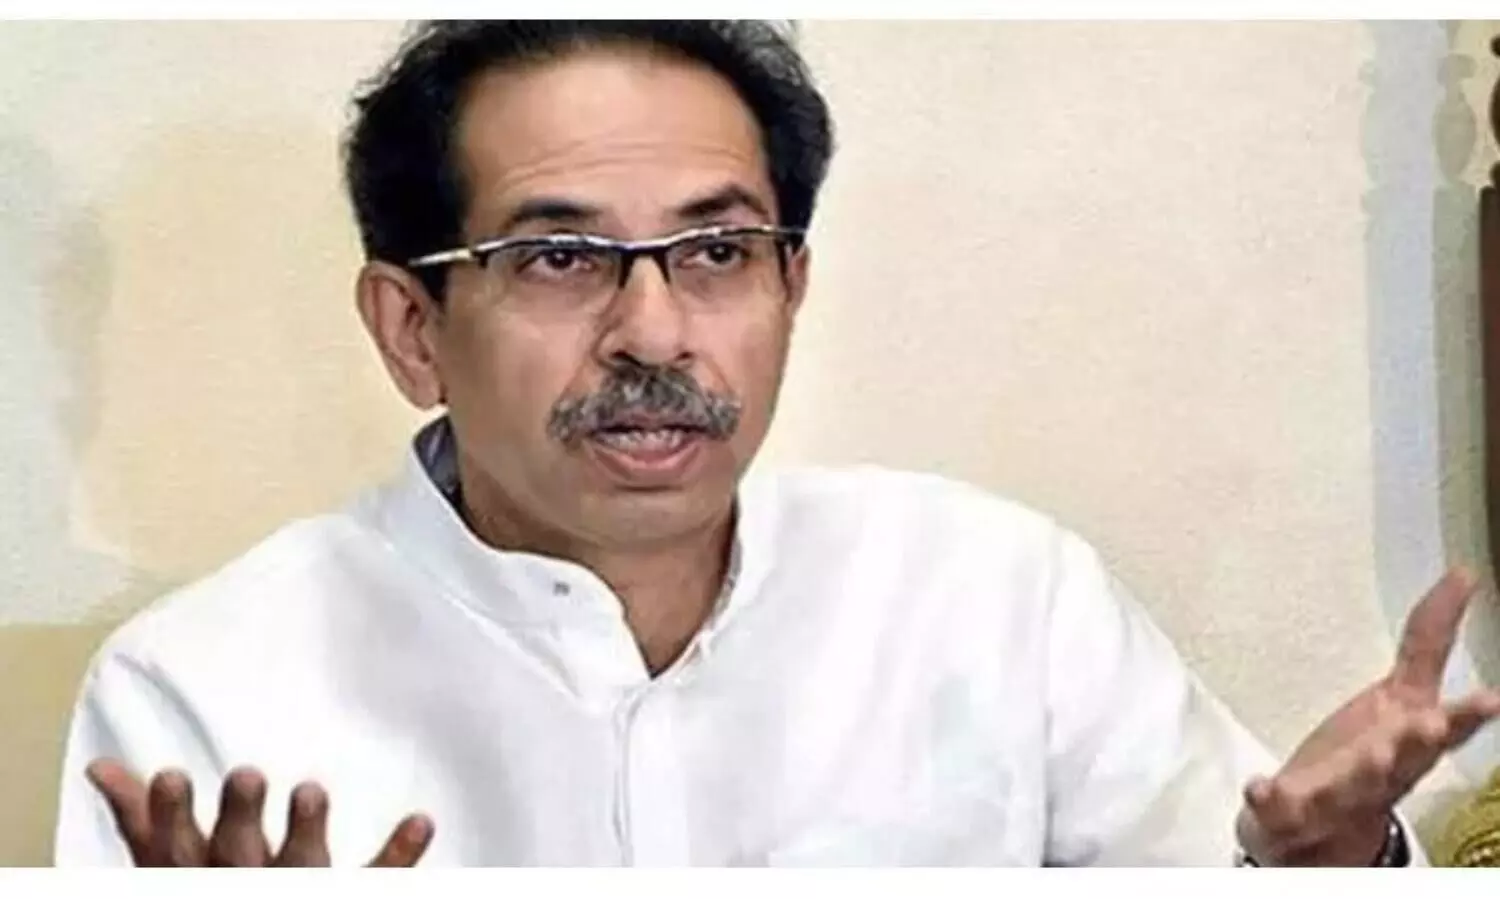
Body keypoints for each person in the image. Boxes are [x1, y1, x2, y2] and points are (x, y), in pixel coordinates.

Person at [50, 20, 1500, 867]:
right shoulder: (204, 695)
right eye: (560, 259)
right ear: (412, 326)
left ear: (791, 286)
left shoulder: (996, 595)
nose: (654, 334)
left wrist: (1334, 867)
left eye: (718, 251)